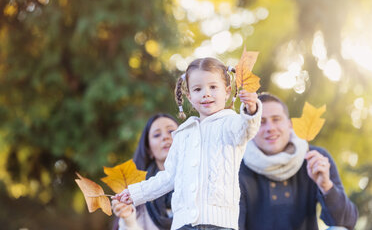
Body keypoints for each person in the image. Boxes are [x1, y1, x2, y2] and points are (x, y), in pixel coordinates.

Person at [113, 57, 262, 230]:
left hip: (219, 223)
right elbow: (169, 177)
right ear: (189, 97)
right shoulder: (183, 133)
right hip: (183, 224)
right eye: (198, 89)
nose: (206, 93)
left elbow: (247, 130)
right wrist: (134, 193)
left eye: (213, 87)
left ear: (227, 91)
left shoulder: (230, 123)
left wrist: (251, 109)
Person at [238, 93, 358, 230]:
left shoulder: (315, 159)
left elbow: (347, 222)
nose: (270, 128)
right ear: (250, 128)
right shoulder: (238, 166)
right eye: (261, 122)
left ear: (290, 125)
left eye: (276, 119)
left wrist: (326, 186)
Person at [111, 113, 179, 230]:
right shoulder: (138, 193)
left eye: (171, 131)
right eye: (157, 135)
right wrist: (128, 219)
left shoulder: (200, 179)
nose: (165, 137)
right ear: (149, 150)